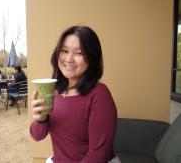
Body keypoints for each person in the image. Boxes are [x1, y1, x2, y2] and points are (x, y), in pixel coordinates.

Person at [30, 26, 120, 163]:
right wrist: (41, 119)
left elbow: (98, 156)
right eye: (64, 51)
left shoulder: (99, 94)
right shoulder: (54, 92)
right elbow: (37, 135)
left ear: (92, 58)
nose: (69, 59)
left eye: (79, 53)